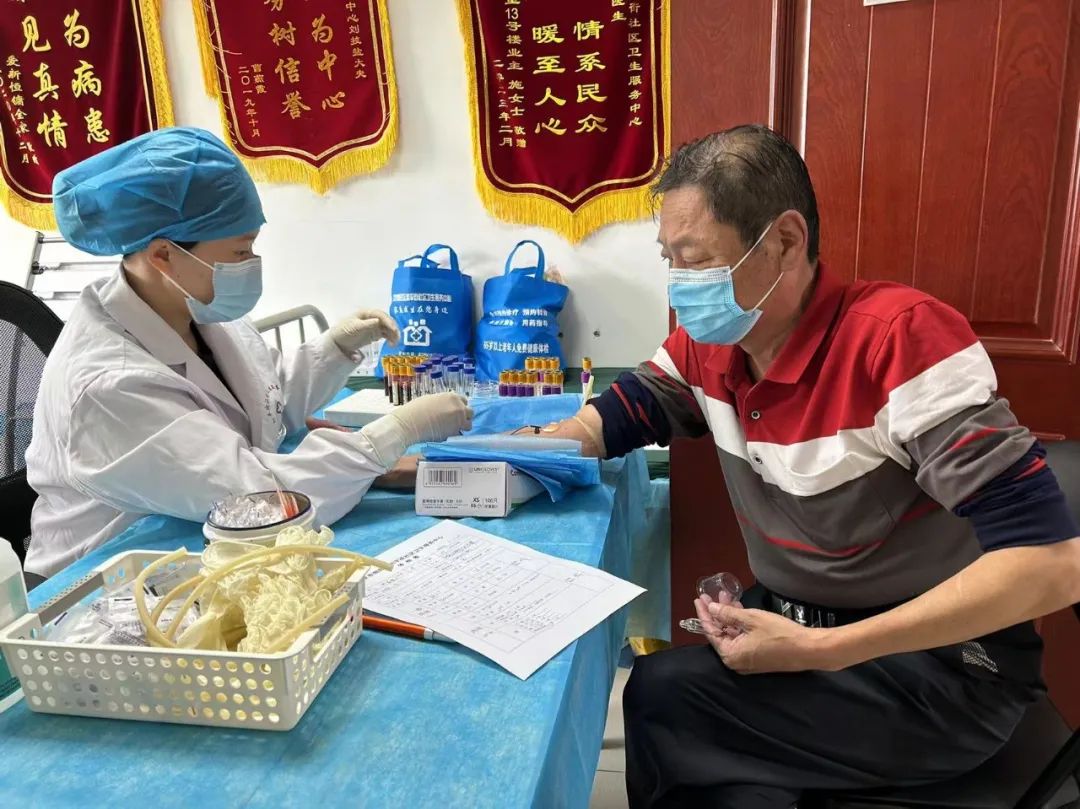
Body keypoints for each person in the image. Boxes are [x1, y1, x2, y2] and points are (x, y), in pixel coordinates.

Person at [535, 125, 1080, 807]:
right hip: (800, 626)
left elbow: (1051, 565)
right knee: (703, 753)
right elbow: (627, 410)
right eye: (669, 259)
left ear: (786, 242)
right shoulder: (714, 344)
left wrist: (819, 650)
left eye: (696, 261)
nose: (680, 286)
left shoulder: (900, 341)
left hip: (939, 670)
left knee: (666, 702)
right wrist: (533, 445)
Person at [25, 127, 471, 577]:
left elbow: (265, 400)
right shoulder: (107, 386)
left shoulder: (192, 306)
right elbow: (265, 502)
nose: (251, 263)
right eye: (240, 251)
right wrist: (394, 433)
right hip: (109, 575)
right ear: (163, 255)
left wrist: (334, 348)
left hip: (191, 528)